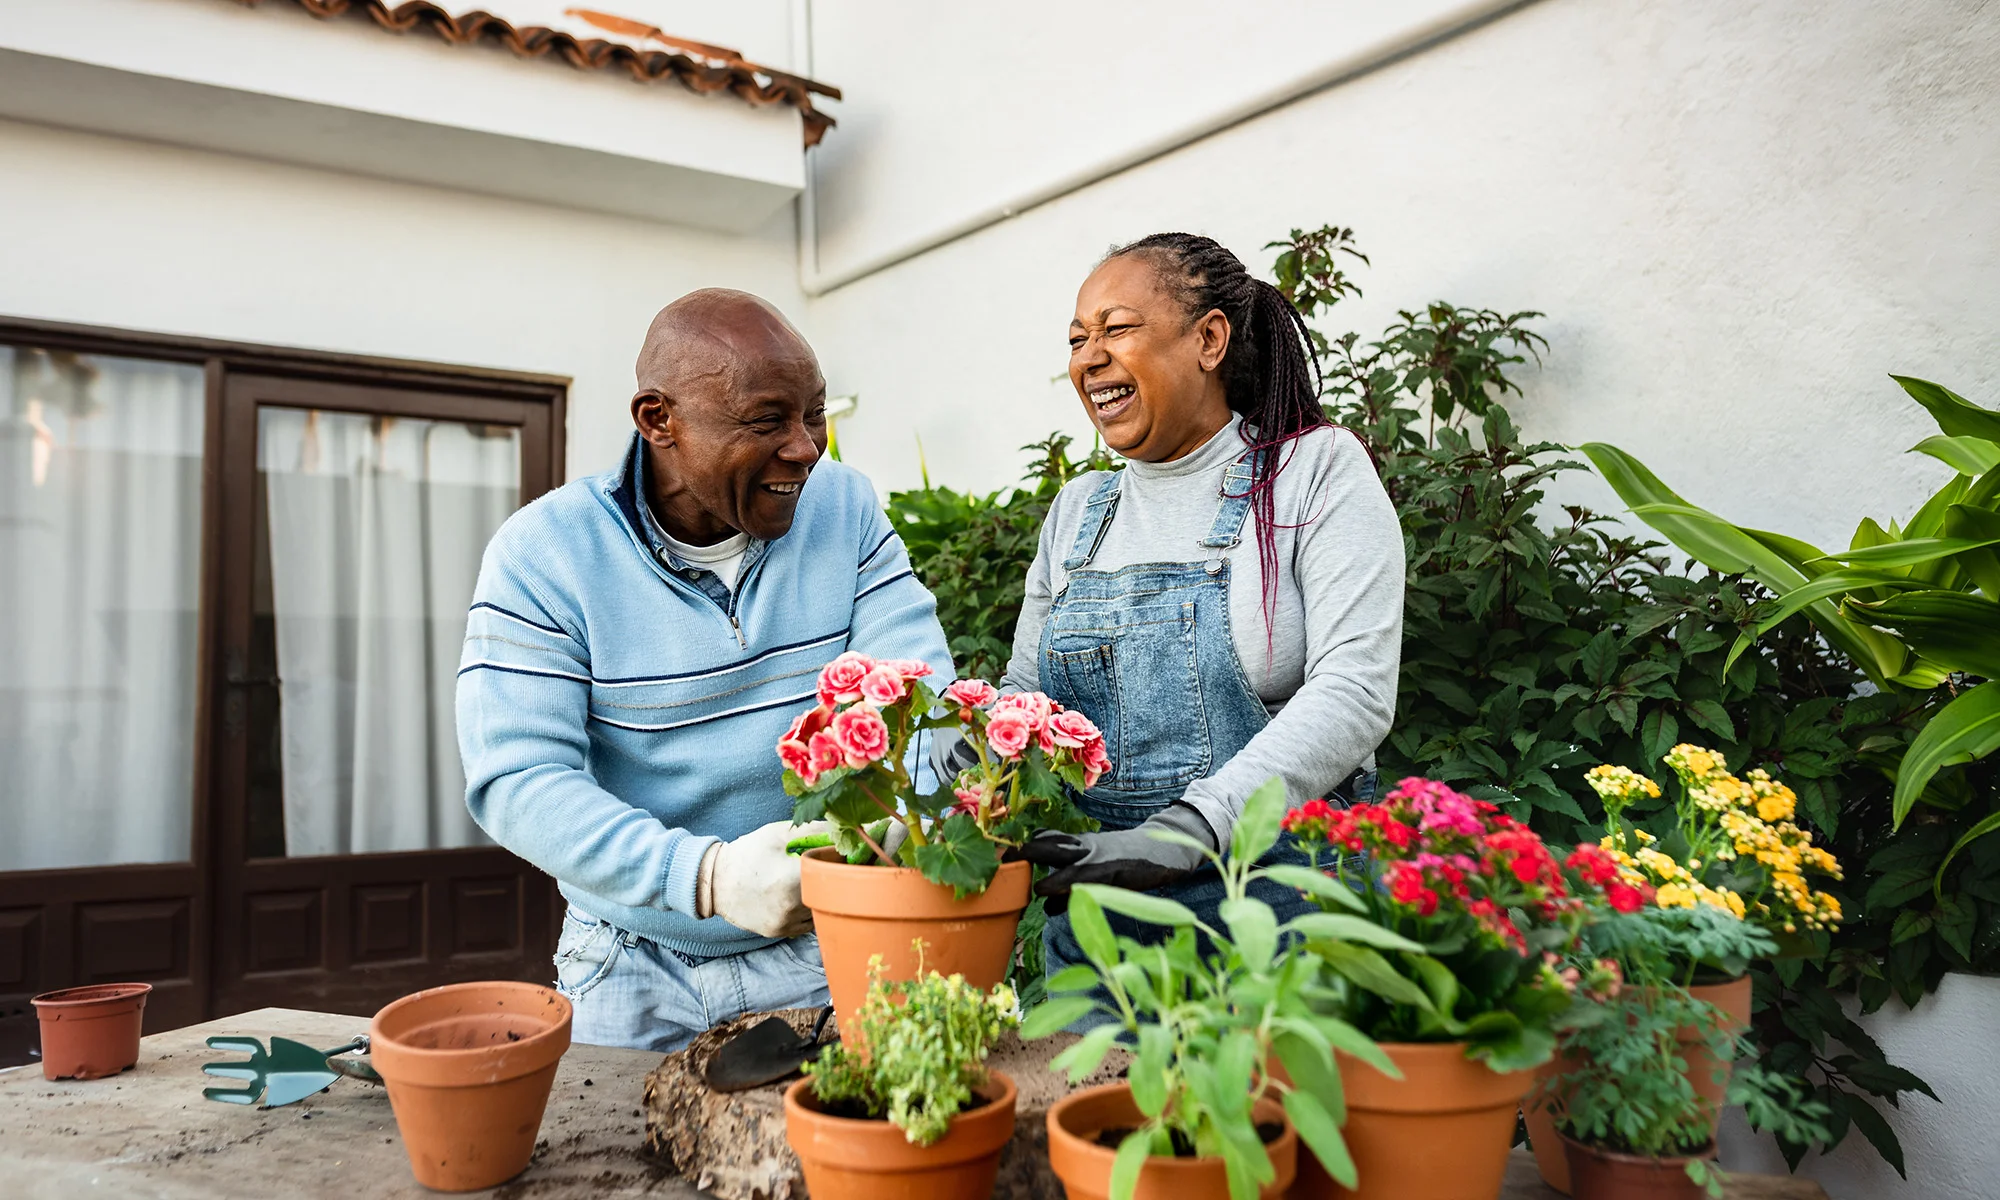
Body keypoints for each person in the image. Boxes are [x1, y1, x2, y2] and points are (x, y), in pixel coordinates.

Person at [456, 289, 951, 1052]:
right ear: (659, 420)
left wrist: (881, 836)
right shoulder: (545, 555)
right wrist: (707, 877)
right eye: (767, 421)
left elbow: (922, 702)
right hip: (629, 963)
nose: (806, 448)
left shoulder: (845, 510)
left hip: (824, 943)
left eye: (815, 413)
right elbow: (518, 780)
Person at [1007, 232, 1404, 966]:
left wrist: (1189, 829)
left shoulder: (1311, 472)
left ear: (1210, 338)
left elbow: (1355, 692)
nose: (1089, 357)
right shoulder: (1077, 511)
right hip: (1104, 924)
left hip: (1286, 905)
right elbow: (1024, 702)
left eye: (1117, 328)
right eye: (1075, 338)